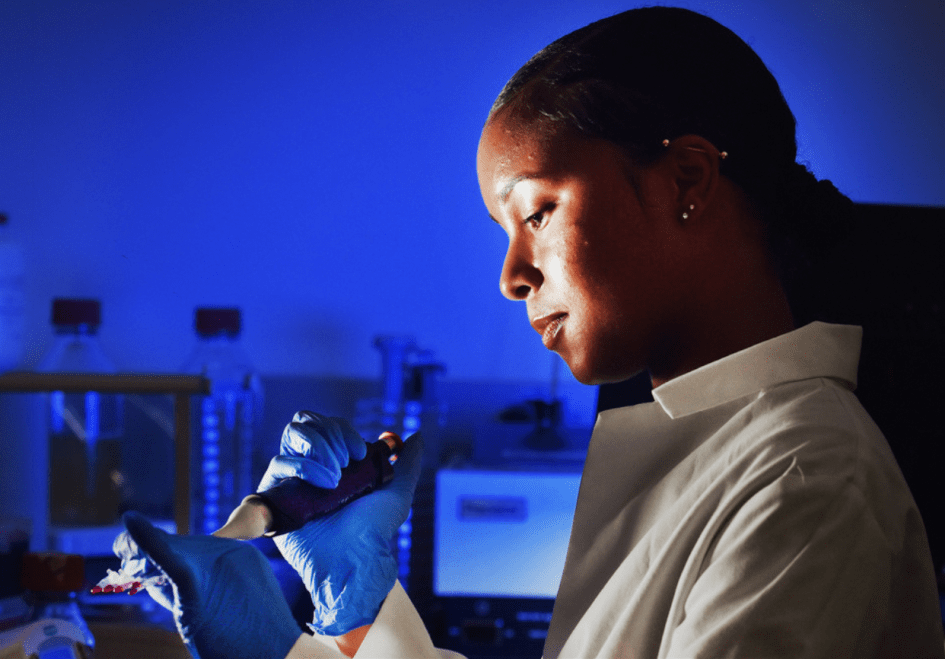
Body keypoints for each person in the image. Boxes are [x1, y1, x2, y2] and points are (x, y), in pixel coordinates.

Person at [116, 6, 945, 658]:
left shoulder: (807, 482)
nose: (511, 275)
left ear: (687, 179)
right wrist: (355, 615)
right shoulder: (708, 449)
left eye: (538, 212)